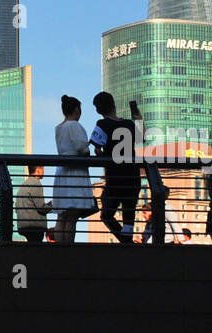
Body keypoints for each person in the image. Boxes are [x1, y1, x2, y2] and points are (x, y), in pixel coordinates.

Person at [90, 91, 143, 244]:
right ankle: (128, 242)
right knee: (129, 216)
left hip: (114, 177)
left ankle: (126, 242)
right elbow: (142, 136)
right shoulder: (128, 124)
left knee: (106, 215)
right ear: (114, 104)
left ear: (98, 110)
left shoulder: (102, 124)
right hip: (132, 176)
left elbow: (97, 148)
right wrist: (136, 112)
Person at [53, 95, 96, 243]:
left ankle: (59, 248)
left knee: (62, 215)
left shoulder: (58, 128)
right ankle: (68, 249)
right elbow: (82, 148)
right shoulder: (75, 126)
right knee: (72, 216)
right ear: (77, 109)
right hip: (75, 172)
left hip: (62, 171)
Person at [16, 165, 53, 242]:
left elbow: (17, 208)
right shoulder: (36, 184)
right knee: (36, 250)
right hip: (35, 227)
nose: (44, 171)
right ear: (38, 170)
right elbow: (41, 208)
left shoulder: (23, 186)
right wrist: (54, 205)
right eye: (43, 168)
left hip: (23, 225)